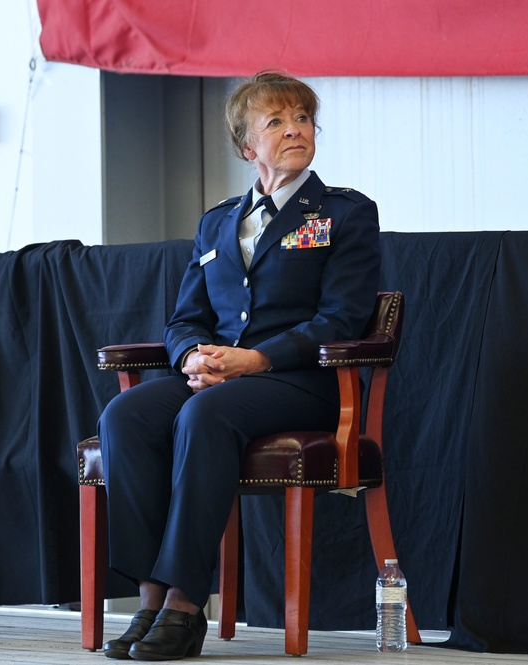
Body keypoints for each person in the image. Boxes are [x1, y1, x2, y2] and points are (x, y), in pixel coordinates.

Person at [97, 71, 380, 661]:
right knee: (125, 415)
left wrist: (255, 358)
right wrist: (193, 356)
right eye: (275, 121)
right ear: (247, 146)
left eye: (302, 118)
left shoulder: (344, 214)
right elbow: (184, 319)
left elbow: (343, 319)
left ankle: (184, 604)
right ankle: (149, 597)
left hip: (302, 383)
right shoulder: (219, 220)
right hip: (221, 380)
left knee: (206, 414)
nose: (295, 129)